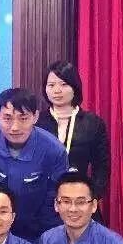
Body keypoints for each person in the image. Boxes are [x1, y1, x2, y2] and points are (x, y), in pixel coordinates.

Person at [0, 87, 68, 241]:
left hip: (36, 231)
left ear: (35, 117)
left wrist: (45, 240)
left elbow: (56, 200)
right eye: (7, 118)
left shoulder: (54, 150)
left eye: (23, 118)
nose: (15, 127)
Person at [36, 60, 110, 202]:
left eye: (64, 84)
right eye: (51, 85)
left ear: (75, 86)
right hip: (44, 200)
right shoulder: (37, 123)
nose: (57, 90)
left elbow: (102, 168)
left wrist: (91, 198)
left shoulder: (93, 123)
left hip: (80, 199)